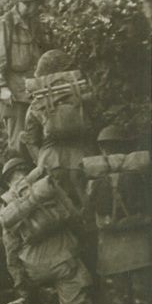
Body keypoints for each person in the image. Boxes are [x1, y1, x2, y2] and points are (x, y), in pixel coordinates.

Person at [1, 157, 93, 304]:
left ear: (7, 180)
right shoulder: (47, 189)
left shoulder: (6, 207)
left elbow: (11, 252)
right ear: (29, 172)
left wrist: (22, 287)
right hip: (65, 261)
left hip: (35, 272)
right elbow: (74, 218)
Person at [86, 125, 151, 304]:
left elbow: (89, 216)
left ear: (103, 149)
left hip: (111, 257)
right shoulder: (142, 173)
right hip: (143, 252)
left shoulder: (93, 180)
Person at [0, 0, 50, 158]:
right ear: (26, 4)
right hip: (13, 94)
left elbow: (45, 53)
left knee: (37, 139)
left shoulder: (35, 24)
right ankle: (18, 181)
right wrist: (2, 87)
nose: (40, 8)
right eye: (37, 4)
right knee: (18, 143)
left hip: (33, 91)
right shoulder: (5, 24)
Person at [21, 49, 93, 207]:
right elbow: (94, 126)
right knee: (89, 207)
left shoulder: (37, 103)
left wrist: (40, 164)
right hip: (84, 159)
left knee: (56, 212)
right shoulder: (83, 95)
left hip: (50, 162)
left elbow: (30, 140)